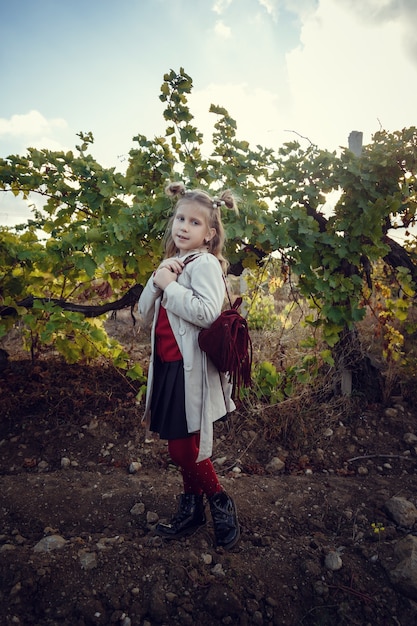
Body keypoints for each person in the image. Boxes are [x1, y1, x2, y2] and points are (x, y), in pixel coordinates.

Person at [138, 181, 240, 550]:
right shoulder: (174, 263)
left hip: (189, 370)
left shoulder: (207, 264)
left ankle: (219, 502)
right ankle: (193, 508)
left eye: (194, 222)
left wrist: (172, 285)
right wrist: (159, 278)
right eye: (180, 218)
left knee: (187, 449)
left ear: (210, 234)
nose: (183, 226)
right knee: (179, 445)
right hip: (167, 366)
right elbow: (142, 311)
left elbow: (206, 312)